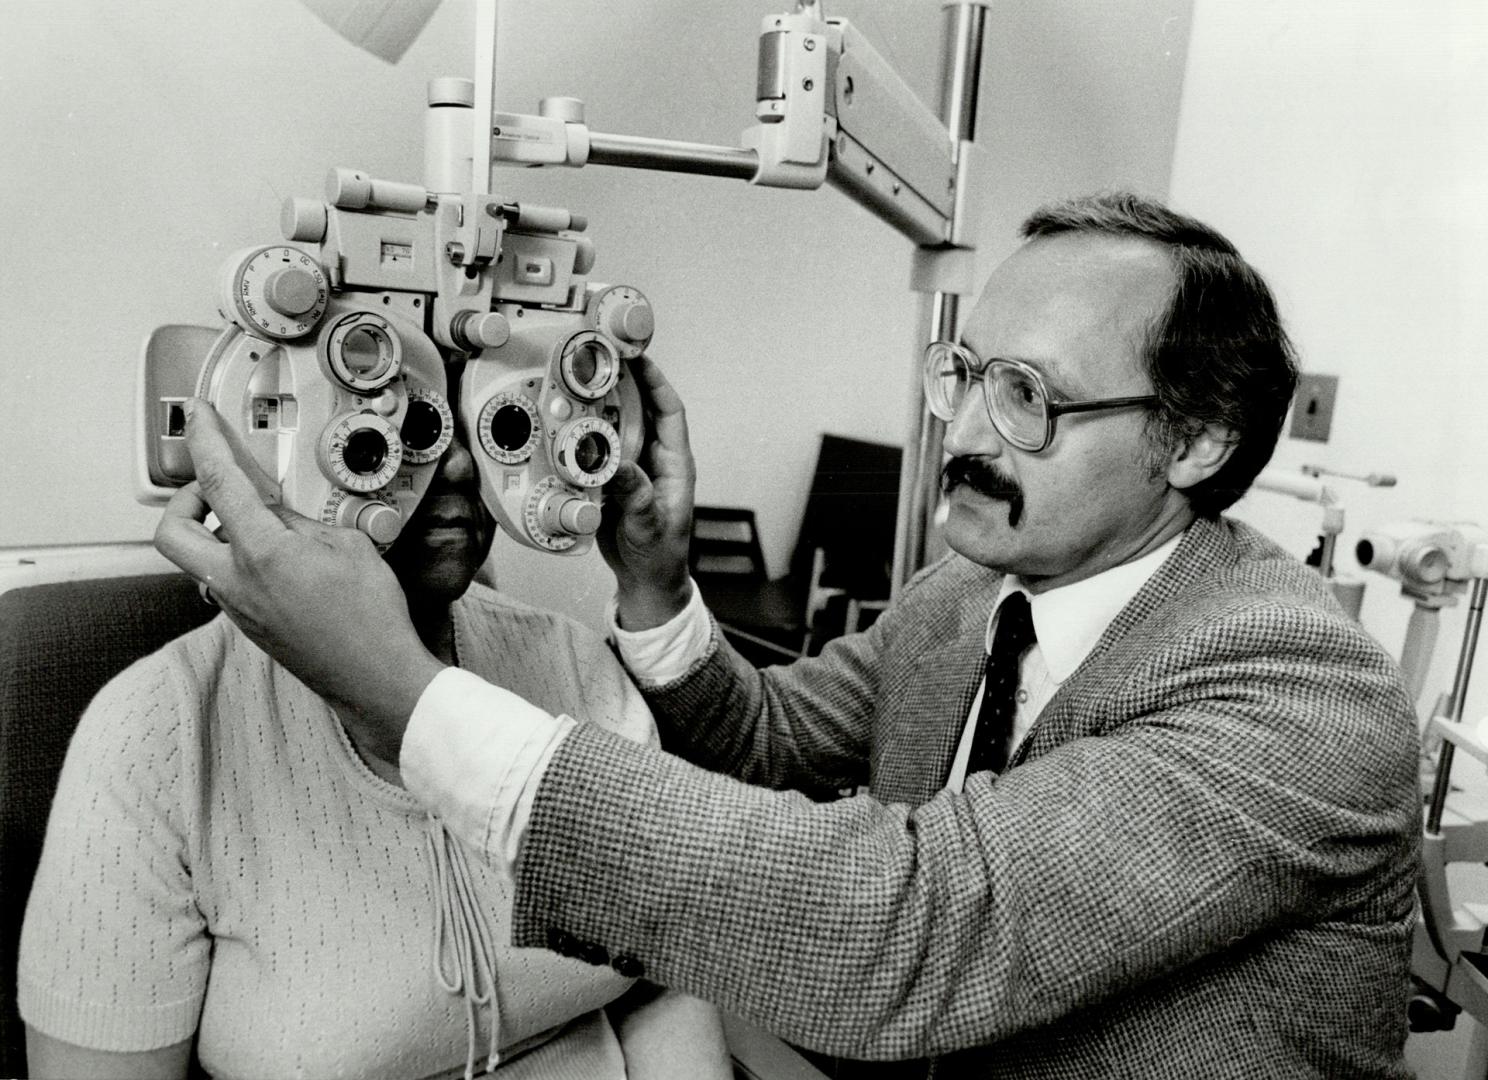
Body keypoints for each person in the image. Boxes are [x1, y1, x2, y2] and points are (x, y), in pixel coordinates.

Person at [153, 193, 1421, 1078]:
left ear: (1194, 439)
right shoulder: (968, 592)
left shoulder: (1299, 697)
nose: (968, 434)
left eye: (1028, 397)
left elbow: (913, 924)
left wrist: (402, 693)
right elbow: (764, 745)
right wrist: (654, 584)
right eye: (968, 373)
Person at [18, 360, 732, 1080]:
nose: (454, 461)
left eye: (488, 421)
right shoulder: (156, 734)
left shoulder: (573, 661)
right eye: (413, 421)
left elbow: (665, 975)